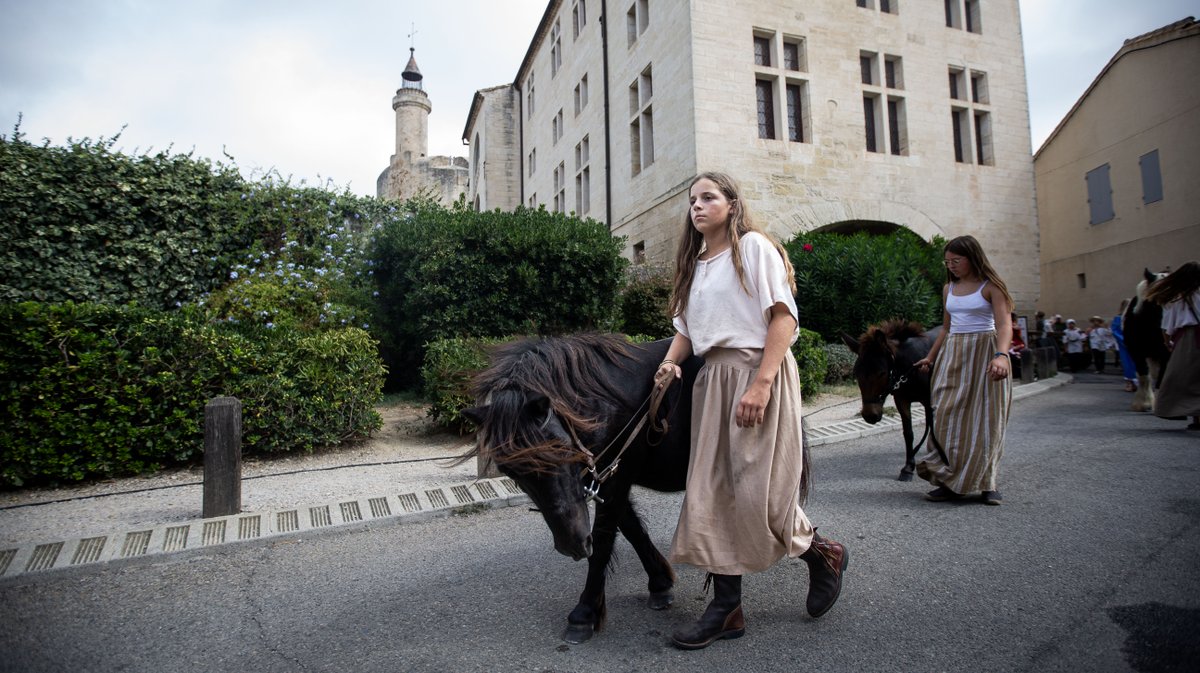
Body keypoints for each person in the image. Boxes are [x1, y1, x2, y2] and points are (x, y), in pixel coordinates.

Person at [655, 172, 847, 650]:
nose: (697, 206)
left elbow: (783, 317)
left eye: (708, 197)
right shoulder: (695, 264)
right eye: (692, 199)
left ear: (732, 204)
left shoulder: (754, 247)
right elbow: (687, 328)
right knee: (712, 490)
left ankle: (822, 553)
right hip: (713, 378)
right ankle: (727, 610)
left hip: (756, 371)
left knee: (759, 490)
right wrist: (668, 363)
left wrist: (761, 384)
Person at [913, 235, 1012, 506]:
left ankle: (987, 483)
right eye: (948, 262)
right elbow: (946, 327)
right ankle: (950, 479)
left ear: (972, 257)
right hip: (954, 354)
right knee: (944, 416)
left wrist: (1001, 356)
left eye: (957, 261)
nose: (952, 266)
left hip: (986, 352)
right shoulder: (949, 289)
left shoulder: (991, 286)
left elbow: (1004, 325)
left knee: (986, 420)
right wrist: (931, 357)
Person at [1145, 261, 1200, 429]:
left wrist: (1167, 341)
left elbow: (1167, 325)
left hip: (1189, 339)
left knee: (1183, 378)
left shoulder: (1178, 298)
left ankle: (1195, 417)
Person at [1112, 299, 1138, 392]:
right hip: (1125, 345)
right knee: (1127, 363)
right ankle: (1130, 382)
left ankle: (1139, 383)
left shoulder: (1135, 317)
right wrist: (1126, 341)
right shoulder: (1118, 318)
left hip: (1136, 344)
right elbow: (1115, 331)